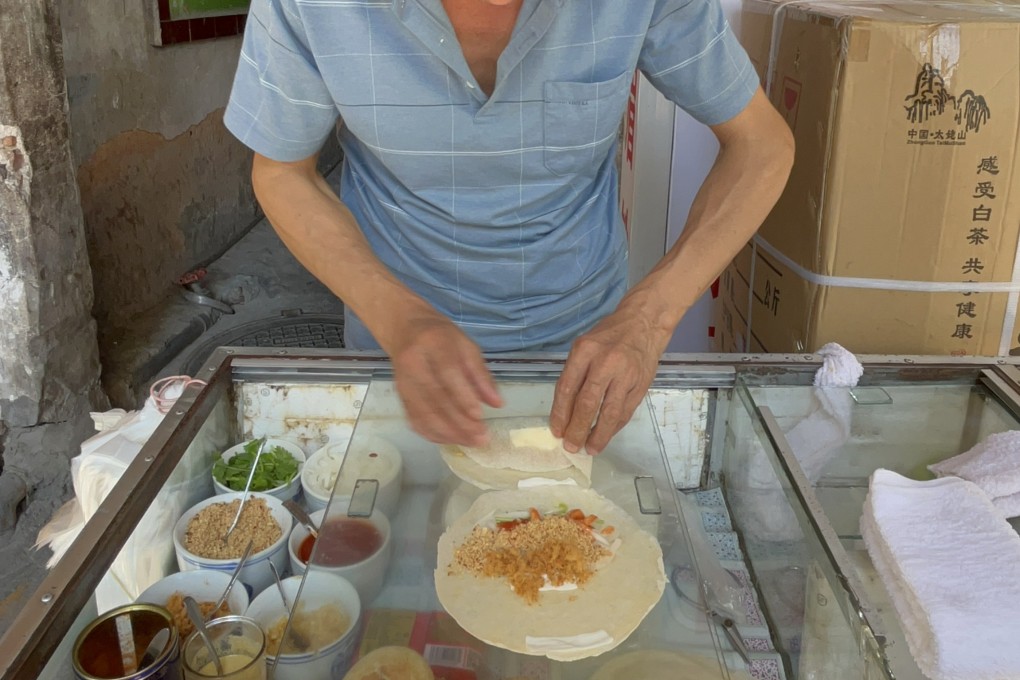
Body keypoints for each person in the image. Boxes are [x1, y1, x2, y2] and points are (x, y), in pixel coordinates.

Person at [224, 0, 793, 455]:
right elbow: (282, 172)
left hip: (581, 357)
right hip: (398, 356)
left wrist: (649, 318)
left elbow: (761, 145)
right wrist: (400, 316)